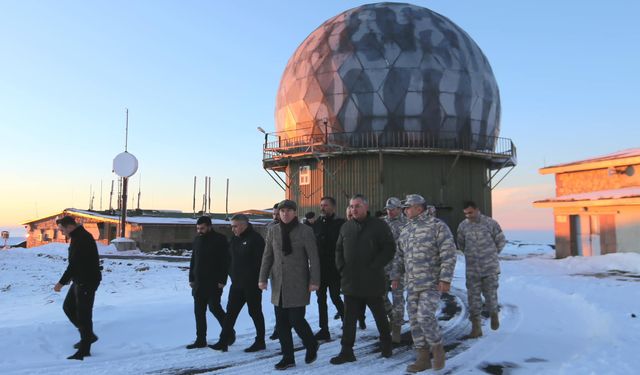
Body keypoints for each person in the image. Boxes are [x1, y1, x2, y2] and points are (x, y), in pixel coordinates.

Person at [391, 194, 457, 372]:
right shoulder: (406, 230)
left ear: (419, 208)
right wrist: (395, 276)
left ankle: (437, 349)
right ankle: (422, 358)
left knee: (425, 317)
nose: (405, 210)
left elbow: (448, 254)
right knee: (414, 321)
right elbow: (399, 256)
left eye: (408, 207)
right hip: (412, 284)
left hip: (431, 283)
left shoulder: (437, 226)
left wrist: (445, 278)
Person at [330, 194, 396, 365]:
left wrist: (375, 266)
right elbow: (338, 250)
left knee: (379, 315)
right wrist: (342, 268)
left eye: (357, 206)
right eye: (351, 206)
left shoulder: (379, 225)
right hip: (351, 281)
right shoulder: (346, 227)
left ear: (366, 207)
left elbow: (389, 248)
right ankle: (346, 351)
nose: (354, 209)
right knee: (349, 318)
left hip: (372, 280)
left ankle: (386, 344)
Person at [259, 199, 321, 370]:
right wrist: (262, 278)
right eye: (282, 211)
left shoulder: (305, 231)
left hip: (298, 282)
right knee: (281, 323)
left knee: (296, 320)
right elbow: (267, 256)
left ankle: (311, 343)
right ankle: (288, 357)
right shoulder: (273, 231)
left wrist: (314, 281)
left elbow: (314, 258)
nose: (285, 213)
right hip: (278, 282)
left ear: (295, 212)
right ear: (278, 213)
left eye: (288, 210)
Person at [210, 214, 266, 352]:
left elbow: (262, 262)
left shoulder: (255, 239)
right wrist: (231, 274)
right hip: (237, 284)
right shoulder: (234, 239)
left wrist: (259, 279)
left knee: (255, 312)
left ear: (244, 225)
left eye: (235, 226)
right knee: (230, 313)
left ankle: (260, 341)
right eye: (232, 226)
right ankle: (223, 341)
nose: (233, 229)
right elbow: (229, 259)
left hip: (252, 284)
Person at [53, 215, 102, 360]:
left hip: (87, 281)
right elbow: (76, 264)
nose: (61, 233)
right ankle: (89, 336)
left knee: (84, 315)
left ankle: (84, 350)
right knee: (68, 307)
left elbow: (74, 264)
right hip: (80, 279)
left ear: (69, 226)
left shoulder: (82, 238)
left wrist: (61, 283)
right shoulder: (77, 236)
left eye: (62, 230)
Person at [456, 201, 506, 338]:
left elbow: (501, 240)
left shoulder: (490, 223)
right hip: (472, 269)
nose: (468, 215)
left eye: (470, 212)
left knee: (490, 296)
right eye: (465, 213)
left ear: (477, 210)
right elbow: (461, 244)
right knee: (473, 299)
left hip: (489, 268)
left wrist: (491, 254)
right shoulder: (463, 226)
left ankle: (494, 313)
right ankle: (476, 327)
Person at [186, 216, 232, 349]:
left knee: (214, 308)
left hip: (214, 282)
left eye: (202, 228)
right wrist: (191, 278)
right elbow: (193, 260)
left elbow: (225, 261)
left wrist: (222, 280)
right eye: (198, 228)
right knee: (199, 311)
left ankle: (229, 332)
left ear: (209, 227)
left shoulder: (220, 239)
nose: (199, 231)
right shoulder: (197, 240)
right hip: (198, 282)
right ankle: (200, 340)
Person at [311, 196, 345, 341]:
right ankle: (324, 329)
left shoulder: (340, 223)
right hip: (320, 268)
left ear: (333, 207)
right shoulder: (317, 223)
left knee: (335, 296)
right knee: (320, 299)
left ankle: (347, 320)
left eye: (325, 205)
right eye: (321, 205)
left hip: (334, 268)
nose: (322, 208)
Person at [382, 197, 407, 344]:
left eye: (392, 209)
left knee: (398, 298)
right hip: (383, 266)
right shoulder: (382, 223)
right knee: (380, 295)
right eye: (387, 209)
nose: (389, 212)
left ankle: (397, 328)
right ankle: (392, 316)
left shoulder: (406, 224)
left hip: (399, 267)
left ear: (399, 209)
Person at [267, 202, 281, 341]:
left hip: (290, 271)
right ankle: (279, 327)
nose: (276, 216)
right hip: (274, 271)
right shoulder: (270, 227)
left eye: (278, 214)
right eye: (274, 214)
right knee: (277, 300)